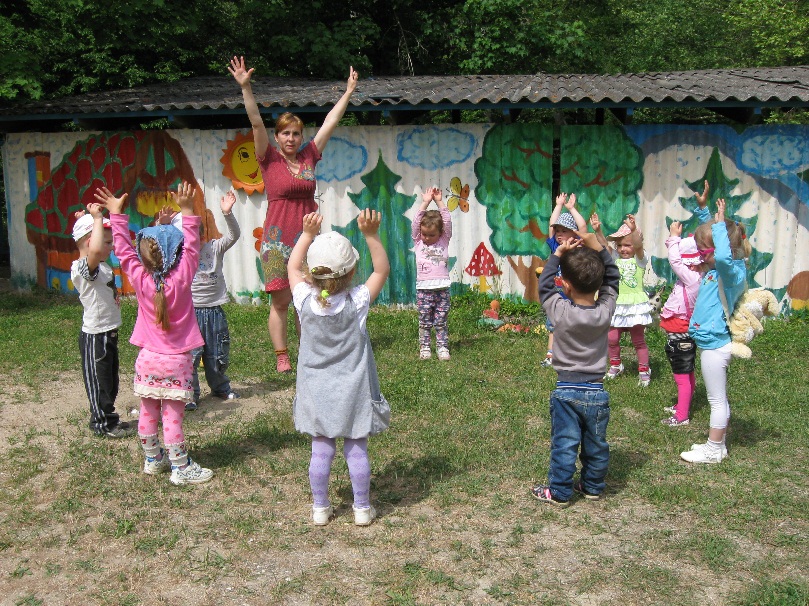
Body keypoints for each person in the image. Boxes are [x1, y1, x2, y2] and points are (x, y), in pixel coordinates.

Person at [229, 56, 359, 373]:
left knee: (309, 302)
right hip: (277, 240)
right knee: (281, 302)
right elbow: (256, 122)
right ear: (277, 137)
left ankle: (308, 351)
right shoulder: (268, 159)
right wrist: (246, 87)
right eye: (285, 133)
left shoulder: (309, 158)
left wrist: (348, 92)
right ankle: (282, 355)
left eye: (296, 134)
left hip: (309, 240)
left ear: (301, 137)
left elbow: (329, 123)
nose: (291, 139)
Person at [97, 182, 214, 485]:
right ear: (177, 257)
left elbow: (123, 251)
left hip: (147, 360)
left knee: (148, 411)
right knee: (172, 416)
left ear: (144, 257)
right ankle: (180, 466)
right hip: (176, 362)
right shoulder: (183, 278)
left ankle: (153, 459)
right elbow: (191, 248)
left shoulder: (139, 279)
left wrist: (116, 215)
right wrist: (187, 211)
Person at [287, 209, 390, 526]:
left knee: (321, 450)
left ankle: (320, 507)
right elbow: (382, 270)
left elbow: (291, 266)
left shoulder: (303, 298)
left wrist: (306, 234)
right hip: (352, 392)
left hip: (316, 391)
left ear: (311, 273)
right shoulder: (357, 301)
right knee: (356, 449)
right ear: (350, 272)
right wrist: (371, 234)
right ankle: (361, 508)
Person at [532, 229, 620, 507]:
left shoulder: (561, 311)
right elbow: (613, 280)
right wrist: (601, 250)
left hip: (566, 389)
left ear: (566, 286)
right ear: (598, 286)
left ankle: (559, 491)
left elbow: (545, 285)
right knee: (596, 445)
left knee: (565, 445)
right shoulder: (604, 311)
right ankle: (593, 486)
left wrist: (557, 254)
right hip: (597, 391)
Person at [681, 199, 750, 464]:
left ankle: (713, 449)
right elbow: (715, 245)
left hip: (716, 345)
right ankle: (718, 446)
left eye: (702, 251)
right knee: (716, 398)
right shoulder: (719, 268)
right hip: (712, 342)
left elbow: (721, 253)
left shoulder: (731, 272)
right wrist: (705, 214)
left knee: (717, 400)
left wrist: (720, 224)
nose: (699, 255)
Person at [70, 206, 135, 438]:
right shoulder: (82, 268)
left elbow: (93, 247)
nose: (111, 247)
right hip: (95, 336)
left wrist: (88, 221)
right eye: (107, 243)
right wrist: (96, 218)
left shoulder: (98, 266)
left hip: (108, 332)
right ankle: (102, 424)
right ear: (90, 242)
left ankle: (110, 418)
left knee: (110, 381)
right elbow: (95, 250)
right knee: (99, 383)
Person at [182, 190, 241, 410]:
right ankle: (191, 394)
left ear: (202, 234)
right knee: (191, 356)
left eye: (196, 234)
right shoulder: (181, 256)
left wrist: (227, 214)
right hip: (191, 313)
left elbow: (234, 235)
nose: (193, 240)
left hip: (214, 311)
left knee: (217, 354)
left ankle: (220, 387)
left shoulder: (214, 248)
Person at [659, 181, 712, 426]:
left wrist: (673, 239)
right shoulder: (704, 275)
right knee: (687, 370)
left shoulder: (692, 278)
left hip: (681, 331)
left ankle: (682, 416)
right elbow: (711, 236)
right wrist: (704, 212)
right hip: (684, 329)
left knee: (681, 373)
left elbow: (675, 262)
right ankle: (683, 404)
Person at [592, 213, 653, 386]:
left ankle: (644, 369)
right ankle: (616, 365)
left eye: (627, 245)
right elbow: (604, 246)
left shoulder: (640, 260)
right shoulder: (615, 259)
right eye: (619, 245)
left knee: (638, 340)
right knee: (612, 338)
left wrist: (634, 230)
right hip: (617, 304)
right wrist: (598, 230)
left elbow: (639, 246)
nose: (623, 249)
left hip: (634, 306)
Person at [541, 193, 588, 368]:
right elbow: (550, 226)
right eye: (558, 231)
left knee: (575, 326)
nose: (559, 234)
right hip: (557, 296)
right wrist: (558, 205)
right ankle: (551, 355)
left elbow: (582, 227)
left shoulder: (578, 246)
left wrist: (571, 208)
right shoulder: (555, 246)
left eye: (564, 231)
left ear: (573, 233)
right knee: (553, 325)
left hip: (575, 297)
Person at [412, 185, 452, 360]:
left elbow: (448, 221)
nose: (426, 238)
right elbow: (415, 223)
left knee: (441, 320)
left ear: (441, 233)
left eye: (431, 235)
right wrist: (425, 203)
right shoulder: (418, 242)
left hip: (442, 287)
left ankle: (442, 347)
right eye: (424, 234)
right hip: (424, 289)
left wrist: (439, 201)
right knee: (425, 320)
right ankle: (425, 348)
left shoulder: (444, 240)